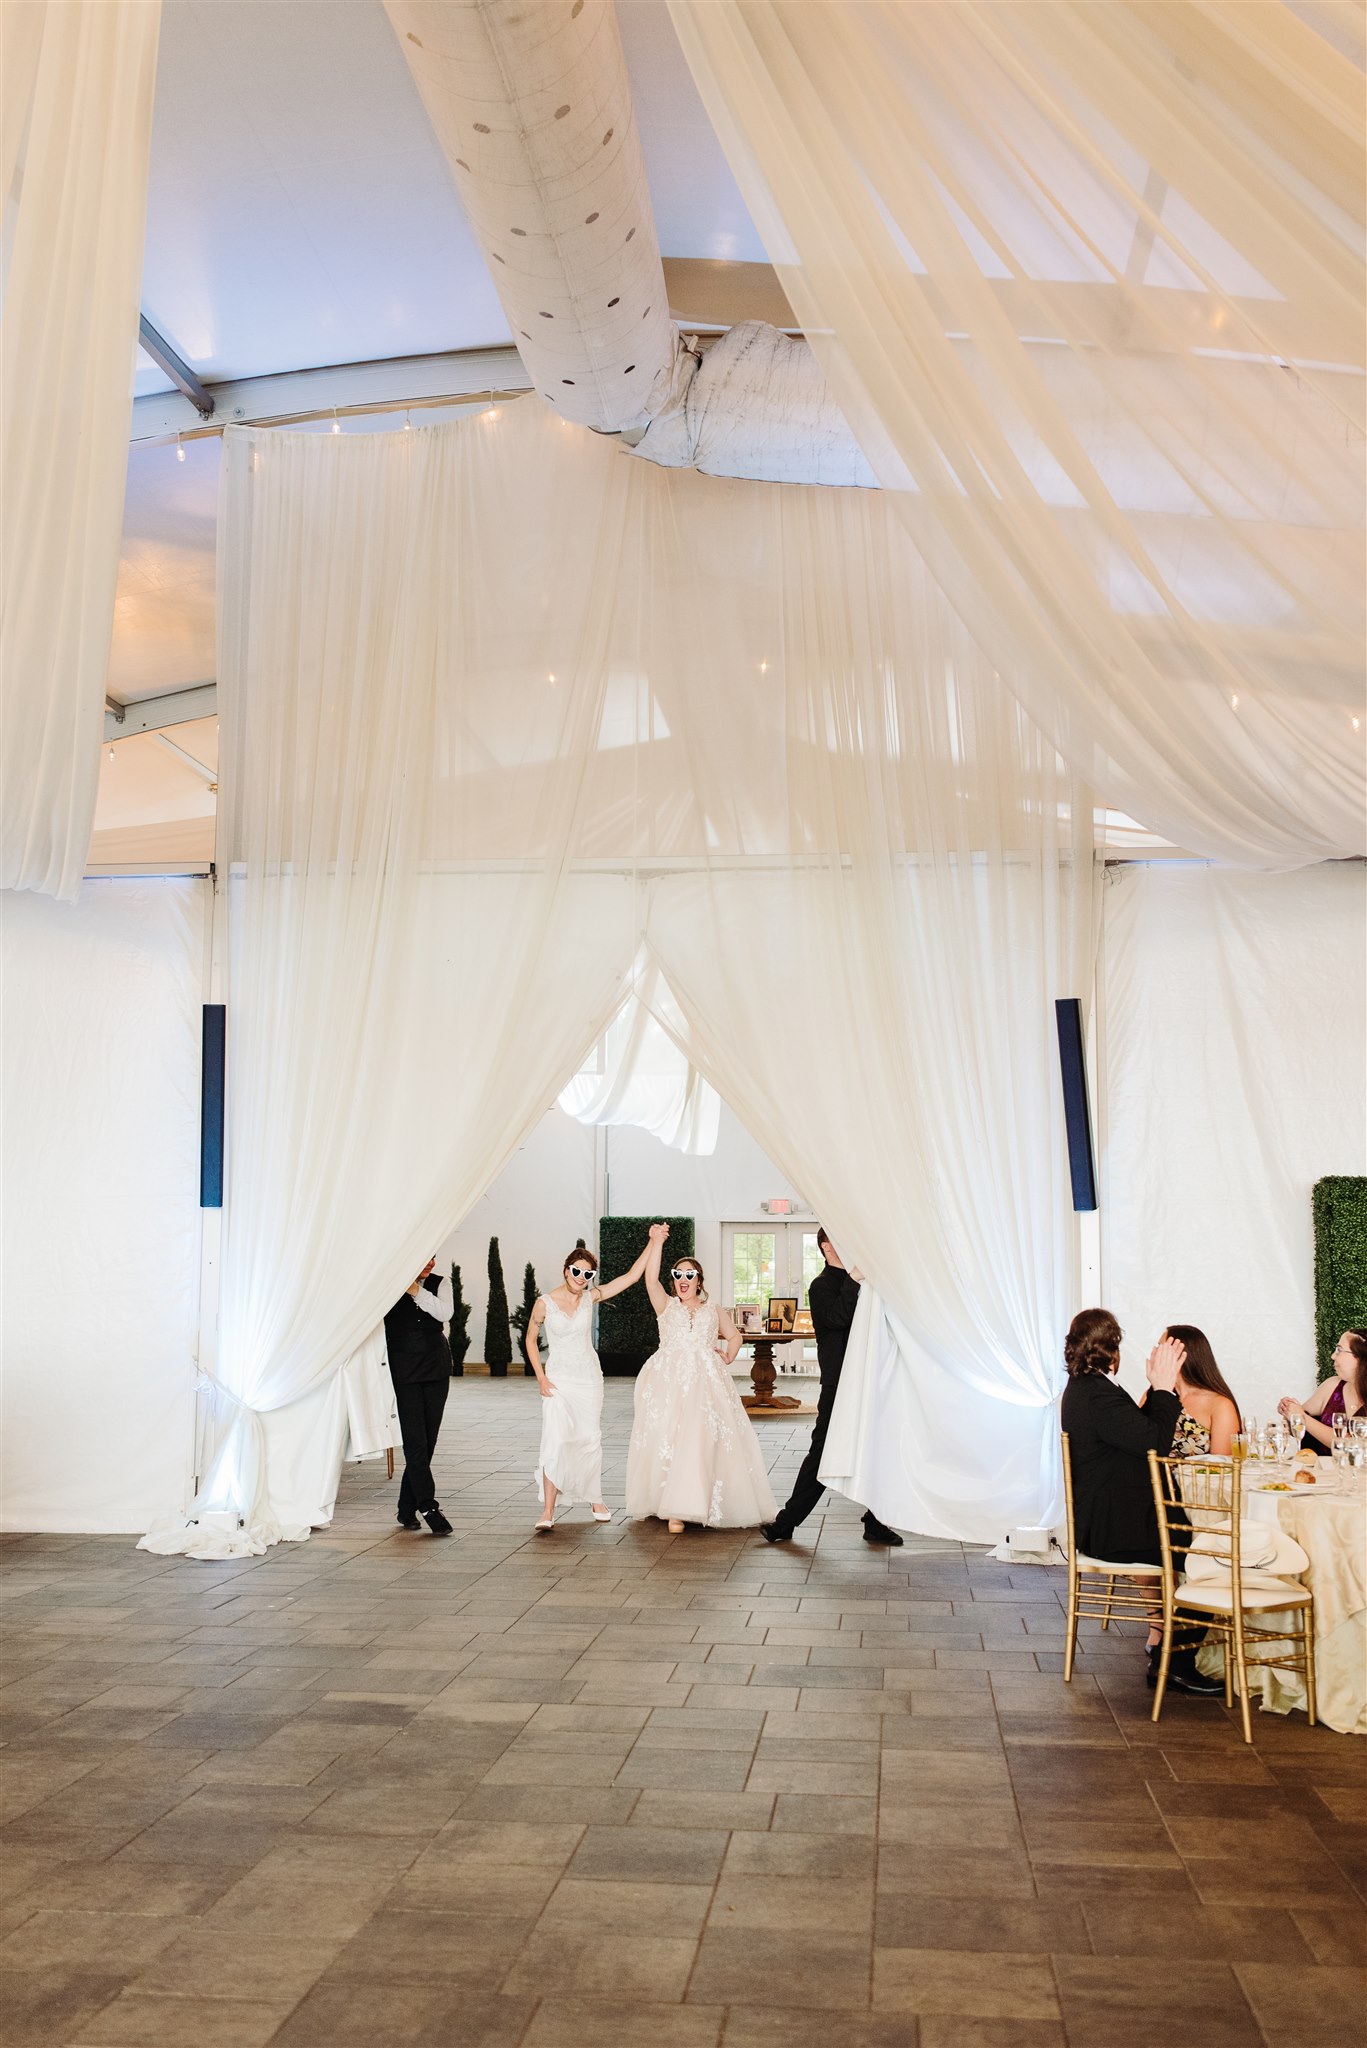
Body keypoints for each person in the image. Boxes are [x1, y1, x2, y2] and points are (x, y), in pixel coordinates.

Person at [1060, 1308, 1222, 1696]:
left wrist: (1158, 1389)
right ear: (1111, 1349)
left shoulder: (1089, 1388)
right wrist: (1164, 1388)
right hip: (1116, 1530)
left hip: (1110, 1521)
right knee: (1214, 1555)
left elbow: (1136, 1435)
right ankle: (1175, 1662)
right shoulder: (1097, 1394)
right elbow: (1153, 1442)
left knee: (1207, 1550)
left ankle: (1166, 1649)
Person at [625, 1224, 776, 1533]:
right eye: (677, 1275)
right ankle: (673, 1507)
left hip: (706, 1382)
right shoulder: (665, 1305)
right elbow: (649, 1278)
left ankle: (693, 1503)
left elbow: (734, 1336)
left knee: (700, 1439)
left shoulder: (713, 1309)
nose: (682, 1280)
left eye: (689, 1275)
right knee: (670, 1436)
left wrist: (730, 1354)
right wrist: (658, 1242)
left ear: (699, 1280)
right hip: (669, 1380)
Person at [761, 1228, 902, 1546]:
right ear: (826, 1246)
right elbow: (838, 1317)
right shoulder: (821, 1285)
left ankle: (876, 1522)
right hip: (839, 1385)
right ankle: (786, 1523)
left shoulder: (869, 1286)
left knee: (881, 1450)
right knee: (823, 1452)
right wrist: (854, 1278)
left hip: (872, 1380)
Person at [525, 1239, 652, 1531]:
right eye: (576, 1271)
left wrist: (652, 1242)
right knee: (555, 1440)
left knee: (589, 1438)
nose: (580, 1278)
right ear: (565, 1270)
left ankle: (595, 1497)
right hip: (558, 1380)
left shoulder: (588, 1298)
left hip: (589, 1380)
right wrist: (541, 1377)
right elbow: (530, 1340)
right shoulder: (544, 1303)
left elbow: (631, 1276)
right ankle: (547, 1510)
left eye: (587, 1274)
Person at [384, 1259, 454, 1536]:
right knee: (415, 1442)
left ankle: (405, 1507)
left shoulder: (441, 1282)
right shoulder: (388, 1285)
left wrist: (416, 1290)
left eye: (433, 1257)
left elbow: (444, 1313)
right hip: (403, 1368)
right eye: (424, 1256)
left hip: (436, 1365)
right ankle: (428, 1506)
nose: (430, 1263)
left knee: (428, 1441)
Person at [1139, 1323, 1242, 1457]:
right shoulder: (1153, 1395)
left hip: (1197, 1478)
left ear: (1183, 1354)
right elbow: (1136, 1441)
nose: (1155, 1352)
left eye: (1161, 1348)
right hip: (1151, 1477)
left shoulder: (1220, 1404)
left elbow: (1221, 1468)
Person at [1278, 1328, 1367, 1453]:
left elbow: (1352, 1445)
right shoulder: (1332, 1385)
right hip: (1322, 1471)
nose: (1333, 1356)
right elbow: (1295, 1428)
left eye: (1339, 1350)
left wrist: (1302, 1417)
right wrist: (1288, 1411)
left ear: (1360, 1358)